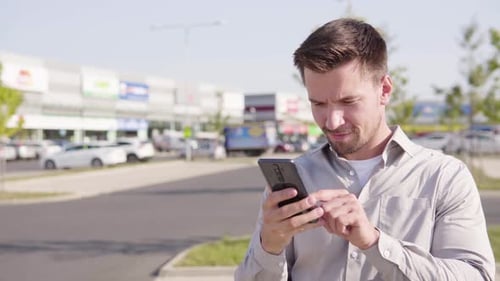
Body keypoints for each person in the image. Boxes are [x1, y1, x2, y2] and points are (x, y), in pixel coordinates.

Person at [235, 18, 495, 281]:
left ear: (384, 90)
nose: (332, 121)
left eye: (348, 101)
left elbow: (474, 276)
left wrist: (373, 242)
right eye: (319, 104)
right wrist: (270, 244)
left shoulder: (443, 177)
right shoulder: (296, 178)